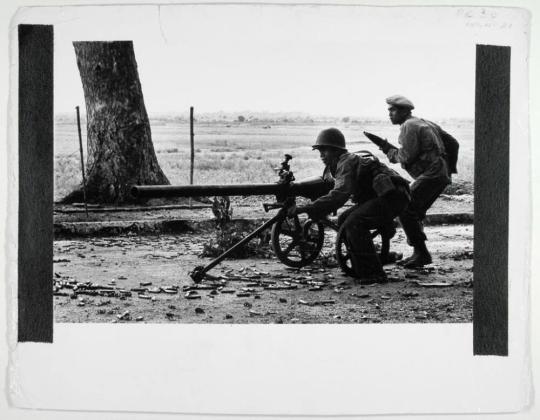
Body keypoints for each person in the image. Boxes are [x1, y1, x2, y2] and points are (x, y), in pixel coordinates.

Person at [295, 128, 410, 284]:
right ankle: (362, 263)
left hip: (394, 197)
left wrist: (310, 207)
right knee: (344, 219)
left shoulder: (346, 162)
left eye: (325, 151)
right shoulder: (339, 164)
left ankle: (374, 273)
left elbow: (339, 195)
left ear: (336, 150)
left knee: (354, 222)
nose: (321, 155)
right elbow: (336, 190)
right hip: (384, 196)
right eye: (319, 151)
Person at [379, 95, 455, 268]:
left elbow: (406, 156)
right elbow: (453, 143)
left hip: (432, 174)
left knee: (405, 207)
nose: (390, 114)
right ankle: (418, 253)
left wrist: (389, 151)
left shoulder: (409, 126)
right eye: (389, 110)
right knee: (415, 211)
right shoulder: (424, 122)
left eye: (393, 110)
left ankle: (422, 253)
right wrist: (448, 168)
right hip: (440, 173)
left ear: (405, 111)